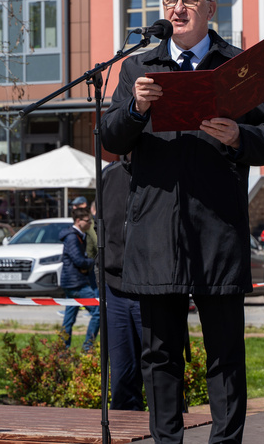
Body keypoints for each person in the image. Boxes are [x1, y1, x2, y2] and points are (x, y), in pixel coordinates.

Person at [100, 0, 264, 443]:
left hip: (216, 228)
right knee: (159, 353)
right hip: (155, 229)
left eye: (187, 0)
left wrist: (239, 136)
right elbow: (109, 140)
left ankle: (225, 441)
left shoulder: (238, 65)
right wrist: (134, 110)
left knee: (225, 350)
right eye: (169, 0)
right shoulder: (139, 67)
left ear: (210, 8)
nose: (177, 9)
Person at [101, 157, 144, 411]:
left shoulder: (164, 171)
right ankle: (126, 431)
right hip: (114, 287)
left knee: (161, 375)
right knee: (121, 376)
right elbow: (102, 230)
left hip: (152, 288)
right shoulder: (109, 175)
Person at [58, 207, 100, 352]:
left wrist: (85, 263)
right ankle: (88, 346)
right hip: (76, 283)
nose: (90, 224)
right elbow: (79, 261)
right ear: (78, 221)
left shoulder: (78, 236)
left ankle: (62, 350)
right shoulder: (72, 237)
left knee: (69, 319)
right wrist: (92, 262)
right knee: (99, 312)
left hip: (73, 282)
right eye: (88, 221)